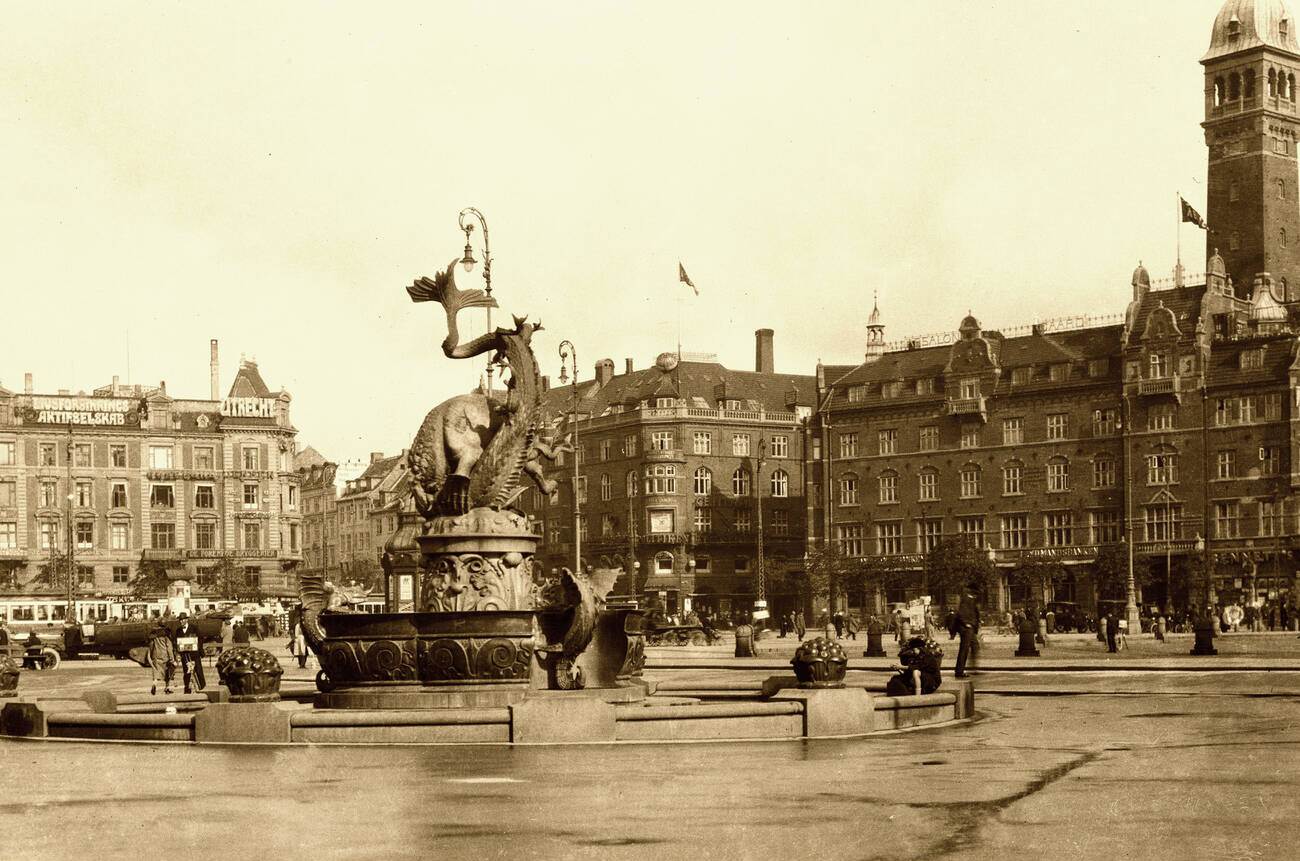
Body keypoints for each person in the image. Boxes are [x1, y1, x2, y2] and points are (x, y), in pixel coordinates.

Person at [171, 613, 206, 694]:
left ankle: (203, 687)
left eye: (183, 619)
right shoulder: (178, 630)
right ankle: (187, 690)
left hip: (195, 654)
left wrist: (198, 649)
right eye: (180, 620)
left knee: (198, 671)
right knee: (186, 672)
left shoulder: (194, 628)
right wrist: (178, 651)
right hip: (185, 655)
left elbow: (200, 639)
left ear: (187, 619)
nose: (181, 621)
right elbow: (176, 642)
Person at [953, 588, 981, 678]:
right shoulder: (966, 600)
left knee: (975, 646)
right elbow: (960, 614)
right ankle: (959, 671)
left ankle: (973, 667)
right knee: (964, 649)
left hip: (970, 628)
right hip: (966, 629)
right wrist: (967, 624)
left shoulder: (971, 600)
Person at [146, 623, 177, 696]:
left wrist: (151, 656)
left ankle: (154, 684)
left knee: (157, 673)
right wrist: (172, 660)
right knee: (168, 673)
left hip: (156, 657)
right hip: (165, 657)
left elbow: (151, 647)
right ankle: (167, 688)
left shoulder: (154, 638)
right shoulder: (166, 637)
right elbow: (169, 649)